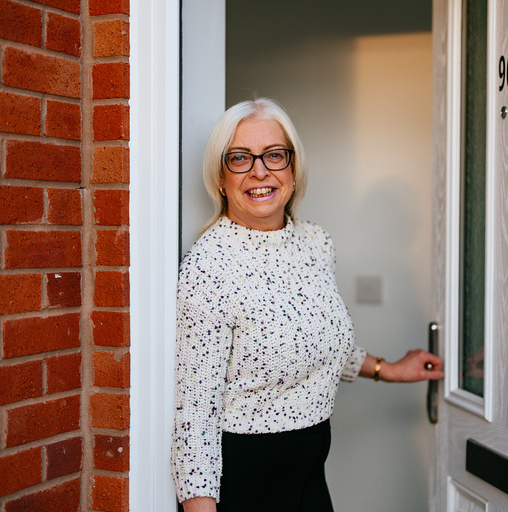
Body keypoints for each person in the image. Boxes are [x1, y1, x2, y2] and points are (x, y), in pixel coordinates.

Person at [172, 98, 443, 512]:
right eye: (240, 158)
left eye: (274, 155)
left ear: (293, 170)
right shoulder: (209, 266)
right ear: (221, 178)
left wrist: (386, 369)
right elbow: (195, 417)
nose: (259, 171)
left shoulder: (315, 243)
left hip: (311, 479)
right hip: (244, 486)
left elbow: (314, 341)